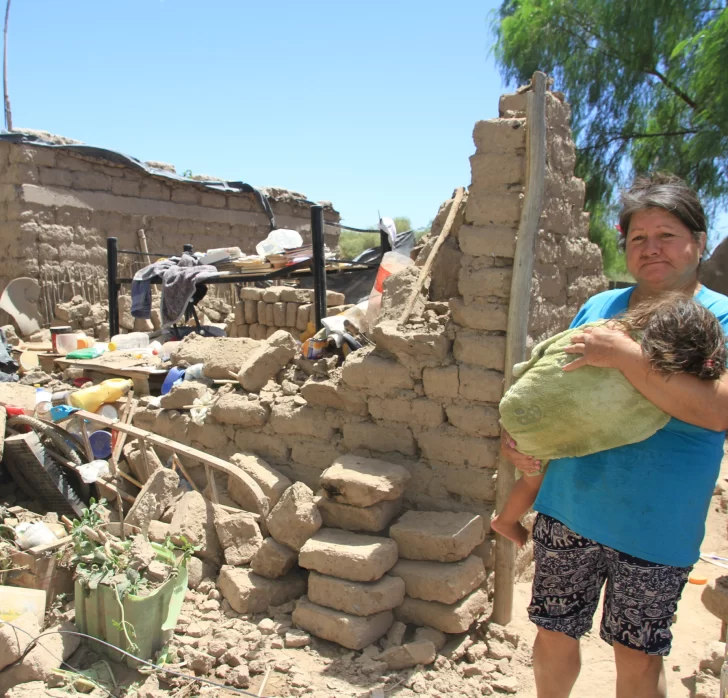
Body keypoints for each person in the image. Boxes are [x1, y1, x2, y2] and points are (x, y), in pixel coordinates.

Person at [500, 172, 728, 698]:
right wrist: (526, 442)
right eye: (637, 238)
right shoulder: (600, 307)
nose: (651, 248)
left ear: (698, 241)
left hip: (656, 526)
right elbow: (553, 390)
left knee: (639, 659)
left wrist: (628, 358)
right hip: (570, 506)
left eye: (666, 234)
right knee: (553, 636)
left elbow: (717, 412)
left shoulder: (720, 317)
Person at [492, 293, 728, 548]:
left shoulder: (606, 328)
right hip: (572, 517)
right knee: (532, 478)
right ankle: (505, 521)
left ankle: (506, 519)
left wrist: (520, 396)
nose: (652, 250)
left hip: (650, 534)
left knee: (531, 475)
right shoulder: (601, 309)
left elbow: (549, 352)